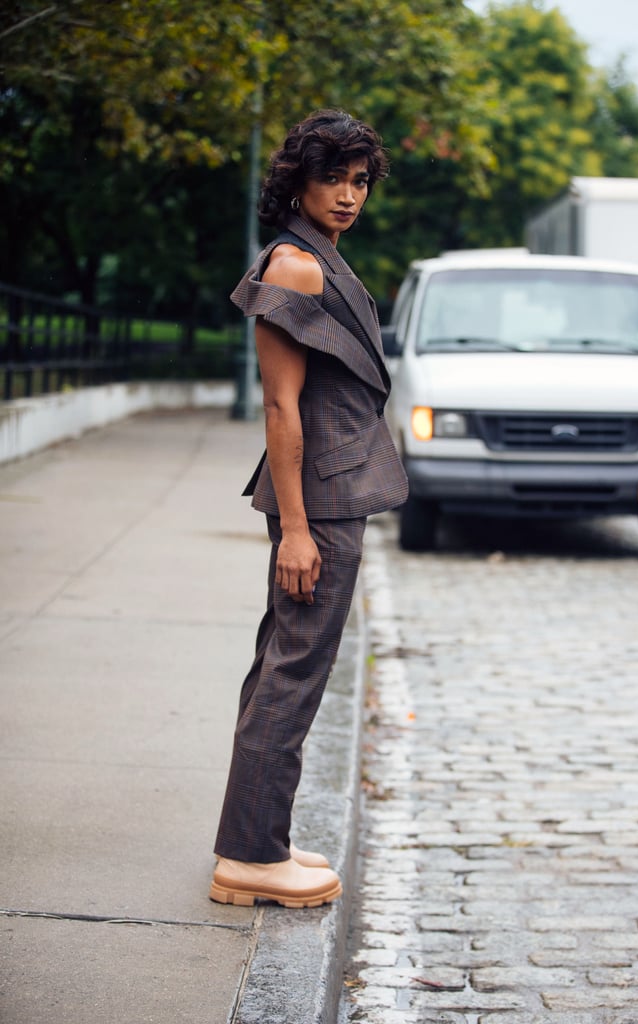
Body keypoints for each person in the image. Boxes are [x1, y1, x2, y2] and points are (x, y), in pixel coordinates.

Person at [210, 109, 408, 909]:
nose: (349, 194)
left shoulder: (319, 258)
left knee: (283, 669)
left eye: (360, 180)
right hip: (317, 502)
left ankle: (257, 839)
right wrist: (294, 529)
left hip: (328, 491)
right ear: (297, 179)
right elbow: (281, 408)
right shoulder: (294, 266)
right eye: (333, 176)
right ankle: (252, 858)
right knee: (293, 673)